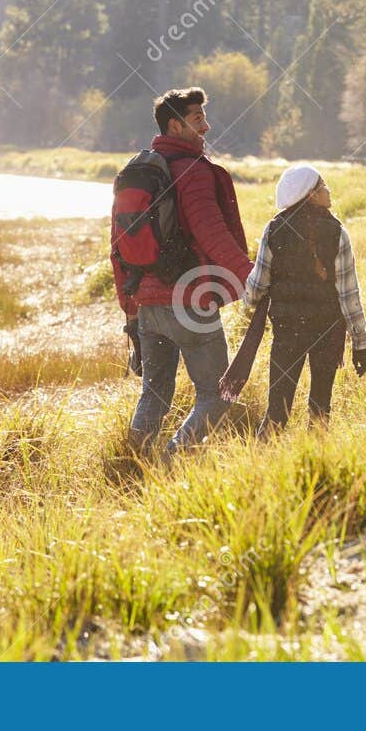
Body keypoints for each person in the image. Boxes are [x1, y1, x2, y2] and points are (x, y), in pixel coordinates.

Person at [114, 87, 254, 456]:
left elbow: (117, 248)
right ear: (175, 125)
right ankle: (172, 459)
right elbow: (212, 232)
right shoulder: (192, 172)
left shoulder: (136, 172)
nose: (206, 127)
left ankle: (136, 467)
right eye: (197, 120)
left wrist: (129, 307)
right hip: (189, 304)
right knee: (219, 393)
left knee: (154, 394)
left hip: (147, 305)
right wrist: (252, 276)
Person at [238, 164, 366, 434]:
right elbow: (349, 295)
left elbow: (255, 290)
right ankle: (316, 466)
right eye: (323, 186)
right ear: (310, 195)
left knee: (277, 409)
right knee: (321, 408)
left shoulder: (274, 229)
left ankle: (263, 465)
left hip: (287, 331)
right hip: (328, 331)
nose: (328, 190)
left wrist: (248, 300)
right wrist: (360, 344)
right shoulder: (337, 232)